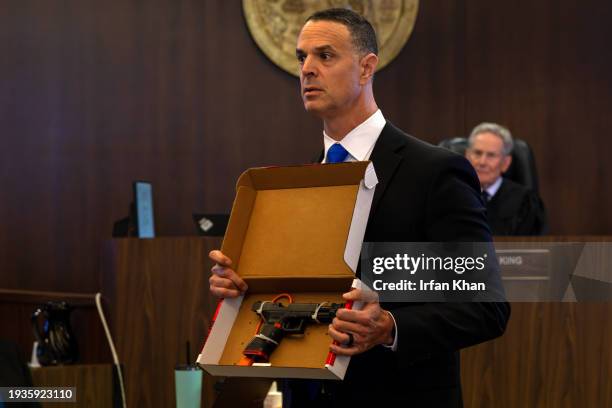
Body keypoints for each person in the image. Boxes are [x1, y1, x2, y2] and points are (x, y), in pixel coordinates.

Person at [209, 8, 510, 407]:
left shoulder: (434, 171)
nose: (307, 70)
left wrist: (390, 326)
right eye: (302, 57)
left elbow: (487, 305)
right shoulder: (301, 183)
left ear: (367, 67)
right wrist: (243, 289)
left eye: (325, 56)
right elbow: (299, 293)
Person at [465, 122, 548, 235]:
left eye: (491, 155)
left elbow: (530, 249)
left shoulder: (525, 202)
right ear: (467, 156)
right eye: (477, 153)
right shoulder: (452, 195)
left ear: (505, 163)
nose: (482, 162)